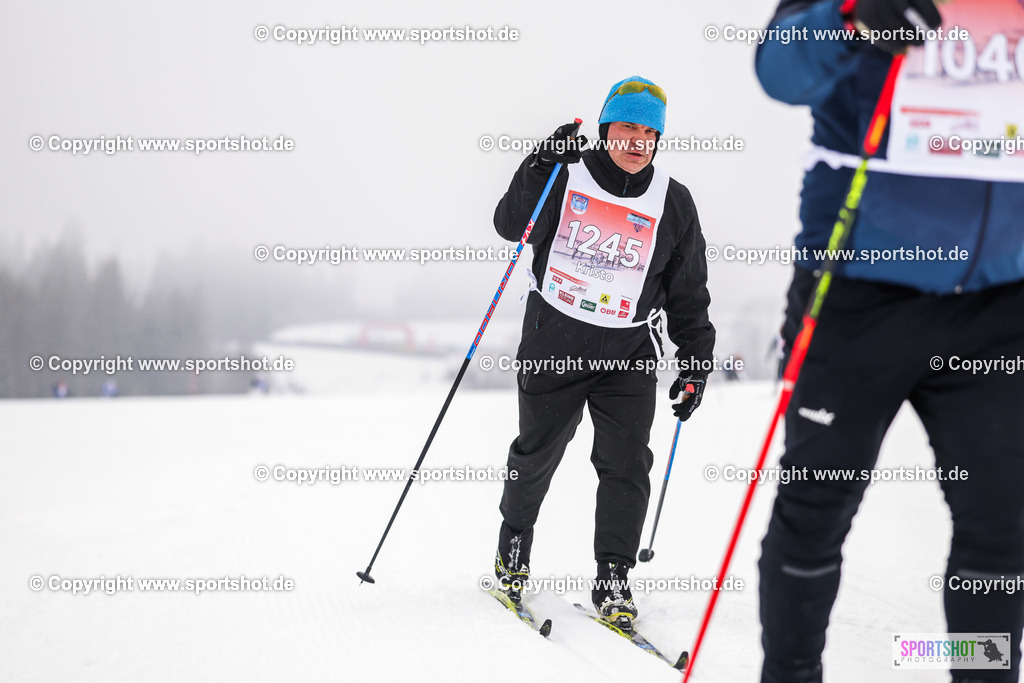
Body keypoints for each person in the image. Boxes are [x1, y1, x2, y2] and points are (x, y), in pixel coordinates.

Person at [755, 1, 1024, 681]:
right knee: (817, 508)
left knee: (1001, 527)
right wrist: (851, 18)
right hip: (857, 290)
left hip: (998, 300)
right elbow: (779, 69)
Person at [491, 76, 716, 623]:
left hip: (628, 350)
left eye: (649, 132)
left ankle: (614, 577)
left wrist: (695, 363)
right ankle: (513, 548)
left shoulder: (674, 201)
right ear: (605, 128)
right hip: (556, 341)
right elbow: (510, 227)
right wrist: (540, 162)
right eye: (627, 128)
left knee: (626, 465)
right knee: (538, 450)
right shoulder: (566, 173)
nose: (637, 141)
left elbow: (688, 292)